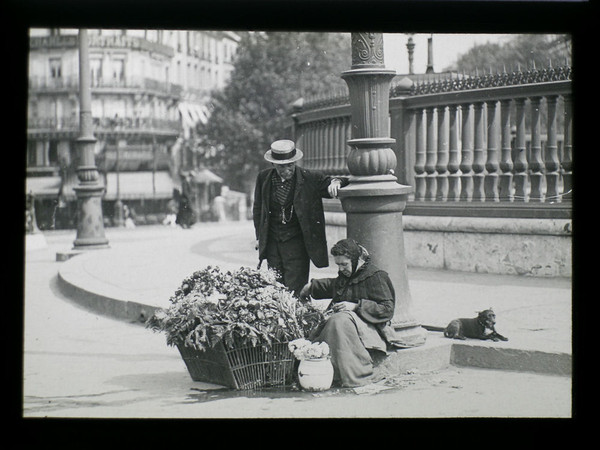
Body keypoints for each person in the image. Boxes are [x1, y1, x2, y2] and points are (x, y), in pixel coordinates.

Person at [253, 139, 348, 296]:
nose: (288, 169)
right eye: (282, 166)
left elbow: (340, 181)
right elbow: (258, 209)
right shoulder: (263, 178)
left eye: (291, 164)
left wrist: (336, 182)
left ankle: (296, 317)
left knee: (295, 289)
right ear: (273, 164)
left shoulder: (309, 178)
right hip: (273, 244)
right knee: (275, 286)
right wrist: (259, 237)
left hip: (297, 244)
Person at [298, 239, 396, 387]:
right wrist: (311, 286)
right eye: (338, 264)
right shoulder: (348, 274)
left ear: (356, 260)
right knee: (329, 323)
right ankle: (332, 371)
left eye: (344, 264)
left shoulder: (376, 276)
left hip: (371, 329)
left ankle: (354, 372)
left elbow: (387, 308)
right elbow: (334, 285)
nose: (341, 268)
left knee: (339, 321)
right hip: (348, 327)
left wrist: (356, 306)